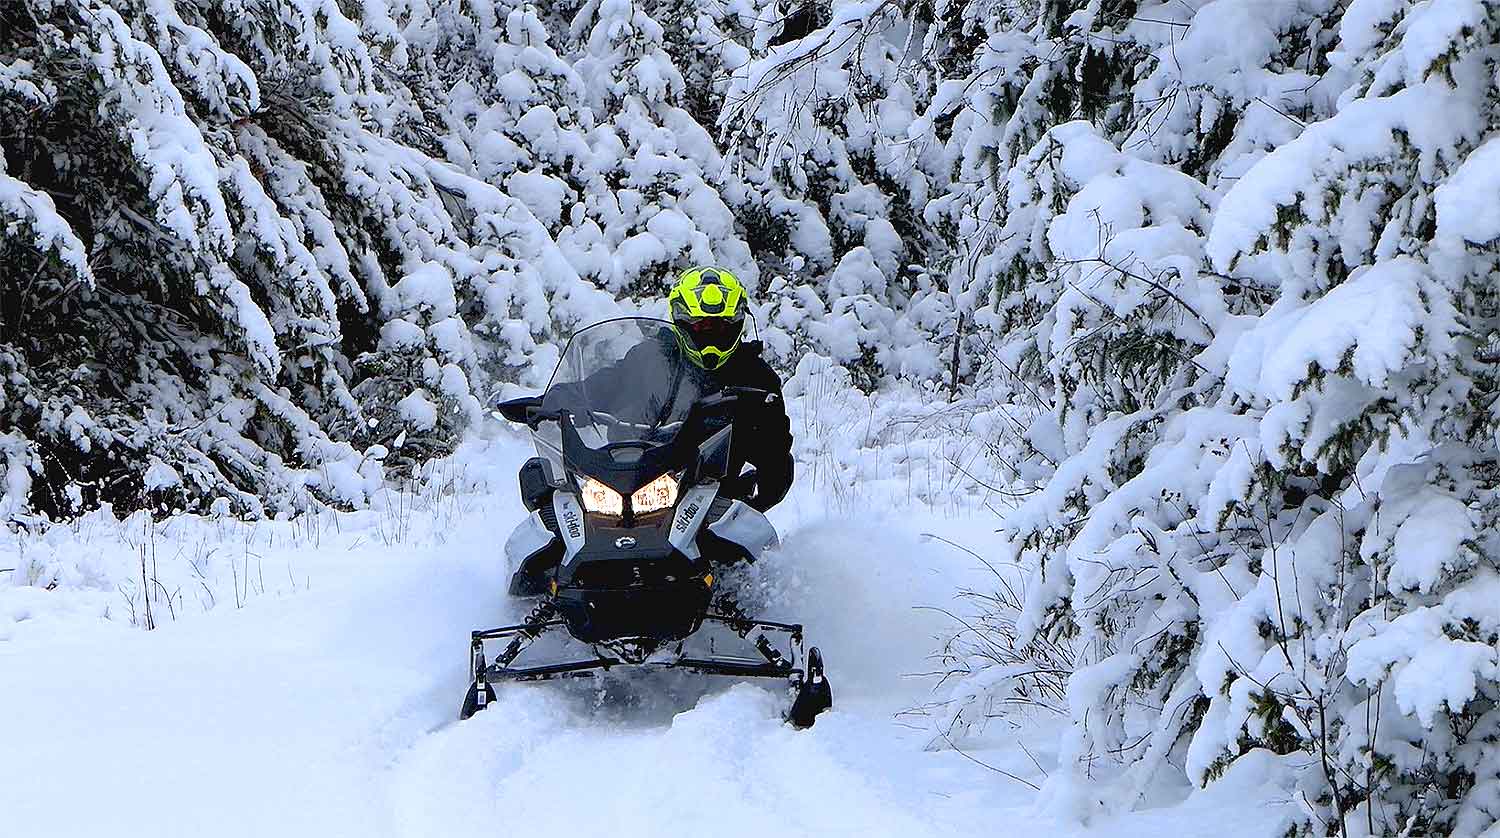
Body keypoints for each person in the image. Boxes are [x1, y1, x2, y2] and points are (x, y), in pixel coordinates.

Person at [500, 266, 794, 595]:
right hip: (635, 470)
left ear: (738, 325)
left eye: (721, 328)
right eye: (700, 327)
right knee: (553, 501)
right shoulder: (652, 356)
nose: (710, 338)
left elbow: (776, 450)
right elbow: (607, 383)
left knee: (748, 539)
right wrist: (556, 402)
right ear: (681, 322)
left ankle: (754, 604)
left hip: (706, 482)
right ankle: (537, 602)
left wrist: (761, 487)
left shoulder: (757, 376)